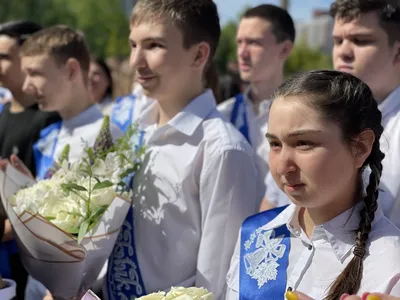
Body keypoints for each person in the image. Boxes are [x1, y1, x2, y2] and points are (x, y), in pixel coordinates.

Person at [105, 1, 262, 299]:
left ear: (199, 54)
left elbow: (216, 277)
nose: (135, 61)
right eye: (133, 45)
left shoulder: (222, 149)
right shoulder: (136, 130)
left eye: (154, 45)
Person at [226, 70, 400, 300]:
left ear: (360, 147)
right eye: (275, 144)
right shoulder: (256, 233)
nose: (282, 166)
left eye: (303, 143)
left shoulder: (389, 265)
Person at [262, 0, 400, 227]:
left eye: (360, 40)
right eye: (338, 40)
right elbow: (271, 208)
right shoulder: (309, 112)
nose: (344, 51)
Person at [16, 25, 121, 299]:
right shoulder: (52, 132)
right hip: (38, 281)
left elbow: (102, 230)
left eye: (36, 73)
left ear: (72, 70)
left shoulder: (105, 136)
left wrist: (69, 286)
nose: (27, 86)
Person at [0, 20, 60, 300]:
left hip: (25, 256)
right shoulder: (3, 112)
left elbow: (48, 194)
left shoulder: (47, 118)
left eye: (4, 57)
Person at [217, 4, 295, 195]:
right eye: (239, 42)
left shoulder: (305, 118)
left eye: (253, 43)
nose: (242, 53)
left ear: (284, 49)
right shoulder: (222, 116)